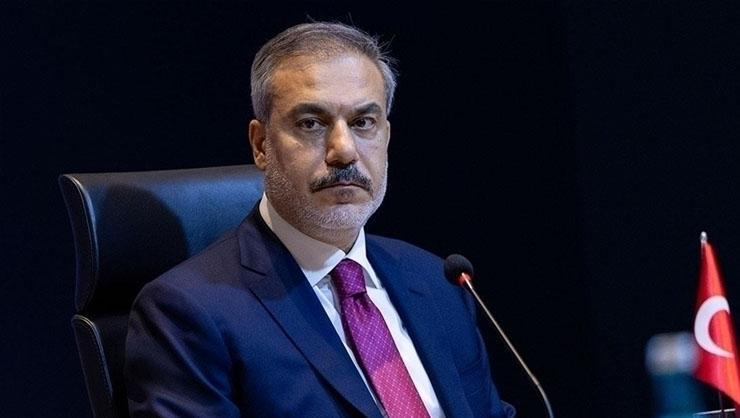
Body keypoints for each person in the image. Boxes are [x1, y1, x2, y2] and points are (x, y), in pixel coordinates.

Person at [124, 22, 515, 418]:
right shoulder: (189, 311)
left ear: (386, 136)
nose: (343, 151)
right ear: (261, 145)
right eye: (311, 123)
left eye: (363, 123)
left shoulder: (438, 283)